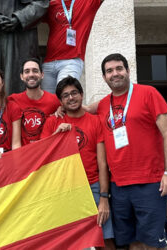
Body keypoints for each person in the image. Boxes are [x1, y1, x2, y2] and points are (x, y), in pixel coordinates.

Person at [97, 53, 167, 249]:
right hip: (119, 185)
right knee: (130, 241)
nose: (115, 74)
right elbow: (81, 109)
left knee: (151, 241)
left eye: (119, 68)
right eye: (109, 71)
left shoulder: (148, 93)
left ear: (127, 70)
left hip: (150, 182)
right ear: (104, 77)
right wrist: (61, 109)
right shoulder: (102, 105)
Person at [41, 76, 115, 250]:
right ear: (60, 101)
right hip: (62, 190)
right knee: (66, 243)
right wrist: (56, 136)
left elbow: (102, 163)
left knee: (105, 241)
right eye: (65, 95)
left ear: (81, 95)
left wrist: (104, 198)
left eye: (74, 93)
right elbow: (42, 156)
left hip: (92, 186)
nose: (71, 98)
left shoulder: (95, 121)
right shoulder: (52, 122)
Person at [42, 0, 103, 93]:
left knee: (65, 94)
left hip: (71, 61)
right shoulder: (52, 4)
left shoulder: (87, 2)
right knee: (48, 102)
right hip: (48, 63)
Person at [8, 58, 60, 145]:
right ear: (21, 76)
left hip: (46, 153)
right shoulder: (13, 100)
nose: (31, 74)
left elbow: (73, 109)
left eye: (35, 71)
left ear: (42, 75)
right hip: (24, 154)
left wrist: (62, 108)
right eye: (27, 71)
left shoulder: (55, 100)